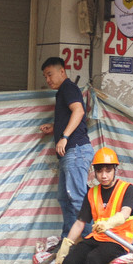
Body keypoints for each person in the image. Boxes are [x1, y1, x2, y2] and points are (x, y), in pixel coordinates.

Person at [55, 148, 133, 264]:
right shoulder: (92, 192)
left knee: (93, 258)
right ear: (94, 171)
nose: (104, 175)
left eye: (108, 170)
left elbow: (125, 212)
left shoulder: (127, 189)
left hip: (118, 240)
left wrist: (109, 223)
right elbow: (80, 222)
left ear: (115, 169)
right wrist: (66, 245)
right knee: (70, 261)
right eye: (99, 171)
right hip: (97, 237)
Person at [38, 57, 95, 236]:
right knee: (65, 199)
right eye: (45, 76)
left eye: (50, 74)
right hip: (70, 153)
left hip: (76, 150)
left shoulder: (68, 88)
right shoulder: (62, 91)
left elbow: (79, 111)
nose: (48, 80)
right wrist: (55, 128)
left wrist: (64, 137)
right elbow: (72, 117)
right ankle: (69, 243)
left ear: (62, 71)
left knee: (77, 199)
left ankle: (90, 242)